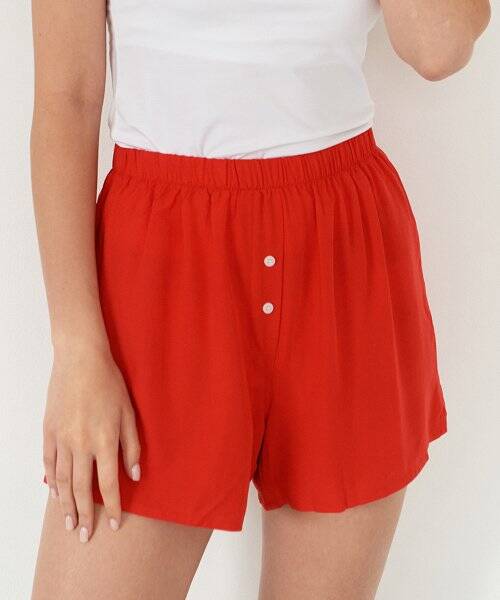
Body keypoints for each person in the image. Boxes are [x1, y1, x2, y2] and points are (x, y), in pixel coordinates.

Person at [30, 1, 490, 599]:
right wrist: (76, 350)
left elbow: (438, 48)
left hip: (340, 254)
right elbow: (66, 99)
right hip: (159, 269)